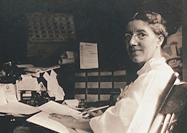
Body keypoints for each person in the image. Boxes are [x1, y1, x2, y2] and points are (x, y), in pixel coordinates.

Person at [48, 11, 179, 133]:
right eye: (128, 36)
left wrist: (74, 122)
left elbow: (122, 126)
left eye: (141, 35)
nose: (132, 42)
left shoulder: (153, 76)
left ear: (159, 40)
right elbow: (129, 117)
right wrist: (106, 118)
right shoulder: (160, 72)